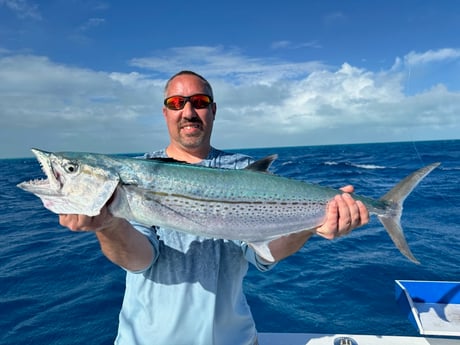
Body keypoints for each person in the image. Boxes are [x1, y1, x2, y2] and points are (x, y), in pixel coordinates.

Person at [59, 70, 369, 345]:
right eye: (176, 103)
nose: (188, 111)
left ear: (213, 110)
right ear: (165, 113)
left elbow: (260, 255)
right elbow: (141, 260)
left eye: (200, 101)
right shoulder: (140, 171)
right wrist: (109, 224)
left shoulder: (245, 170)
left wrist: (311, 225)